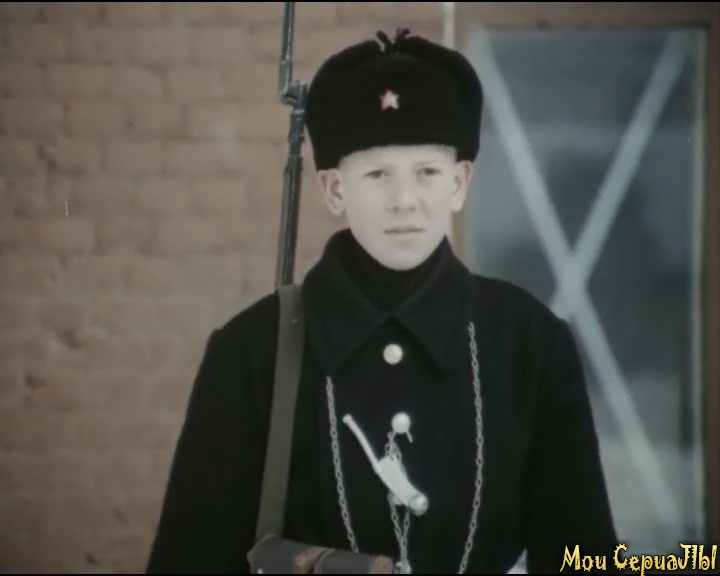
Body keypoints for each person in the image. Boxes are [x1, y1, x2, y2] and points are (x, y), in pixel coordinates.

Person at [145, 28, 618, 575]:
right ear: (334, 190)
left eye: (427, 172)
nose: (404, 200)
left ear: (459, 183)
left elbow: (587, 560)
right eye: (376, 174)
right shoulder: (251, 352)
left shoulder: (530, 343)